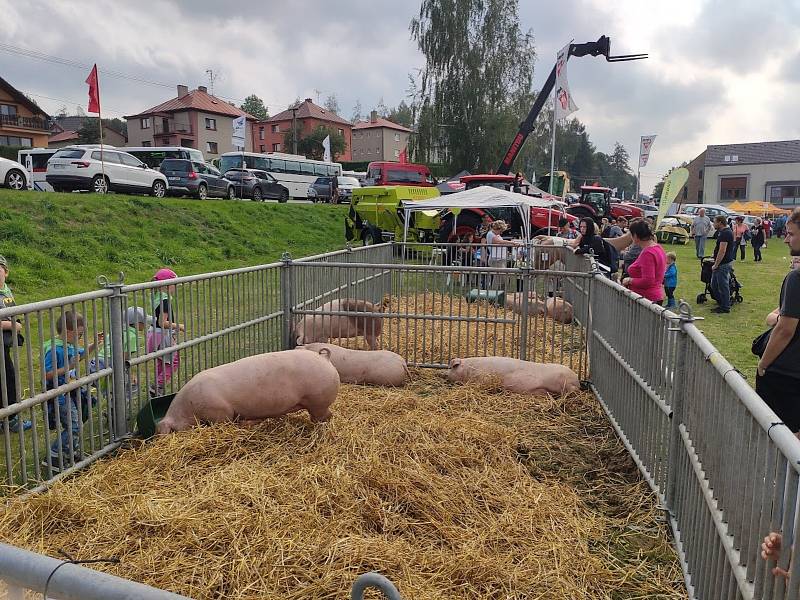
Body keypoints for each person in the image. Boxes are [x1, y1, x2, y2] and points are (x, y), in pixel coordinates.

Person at [756, 207, 800, 434]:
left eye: (791, 234)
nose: (785, 240)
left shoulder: (796, 277)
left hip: (786, 374)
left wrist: (763, 364)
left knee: (781, 439)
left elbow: (785, 329)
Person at [44, 311, 103, 470]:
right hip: (59, 393)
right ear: (69, 332)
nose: (81, 338)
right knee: (74, 426)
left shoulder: (68, 345)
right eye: (80, 334)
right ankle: (54, 455)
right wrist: (68, 367)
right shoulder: (54, 350)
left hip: (69, 389)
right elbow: (47, 374)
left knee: (78, 419)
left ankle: (70, 452)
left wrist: (95, 344)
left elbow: (79, 356)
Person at [0, 256, 31, 433]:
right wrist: (13, 325)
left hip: (4, 342)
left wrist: (16, 321)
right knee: (8, 379)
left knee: (6, 377)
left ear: (6, 272)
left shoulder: (6, 291)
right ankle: (11, 419)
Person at [147, 268, 185, 396]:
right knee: (174, 361)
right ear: (168, 285)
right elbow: (162, 323)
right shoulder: (165, 300)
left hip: (152, 334)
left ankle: (158, 390)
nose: (175, 287)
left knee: (161, 362)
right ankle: (157, 385)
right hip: (163, 335)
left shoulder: (155, 296)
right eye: (175, 284)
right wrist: (178, 326)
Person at [622, 220, 667, 304]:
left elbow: (647, 281)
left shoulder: (648, 253)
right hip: (655, 295)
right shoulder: (658, 248)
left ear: (635, 236)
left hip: (646, 299)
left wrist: (629, 280)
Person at [710, 214, 736, 314]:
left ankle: (725, 307)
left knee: (722, 286)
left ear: (720, 222)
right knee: (714, 285)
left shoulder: (725, 233)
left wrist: (716, 264)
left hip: (723, 264)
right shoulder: (723, 232)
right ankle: (722, 303)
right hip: (722, 263)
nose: (713, 224)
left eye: (715, 221)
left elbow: (722, 251)